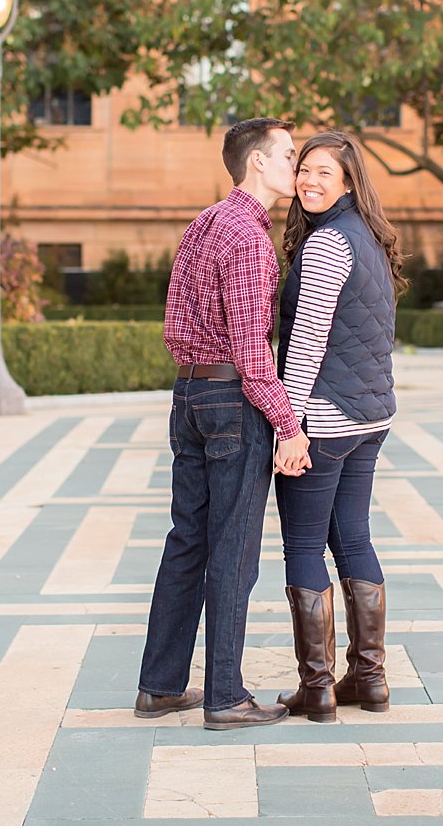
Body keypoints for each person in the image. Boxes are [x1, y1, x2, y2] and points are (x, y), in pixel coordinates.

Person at [134, 117, 315, 731]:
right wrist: (288, 424)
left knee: (187, 539)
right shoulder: (248, 238)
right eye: (289, 154)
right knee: (233, 549)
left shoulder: (203, 224)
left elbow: (172, 327)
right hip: (232, 401)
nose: (297, 164)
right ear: (257, 163)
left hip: (188, 393)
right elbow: (251, 347)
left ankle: (160, 687)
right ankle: (226, 696)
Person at [272, 130, 406, 724]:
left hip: (324, 420)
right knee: (353, 537)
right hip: (369, 415)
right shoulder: (369, 239)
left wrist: (288, 426)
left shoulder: (329, 244)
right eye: (304, 170)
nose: (309, 181)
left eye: (325, 172)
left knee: (304, 544)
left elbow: (306, 344)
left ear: (349, 181)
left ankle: (319, 688)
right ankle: (370, 680)